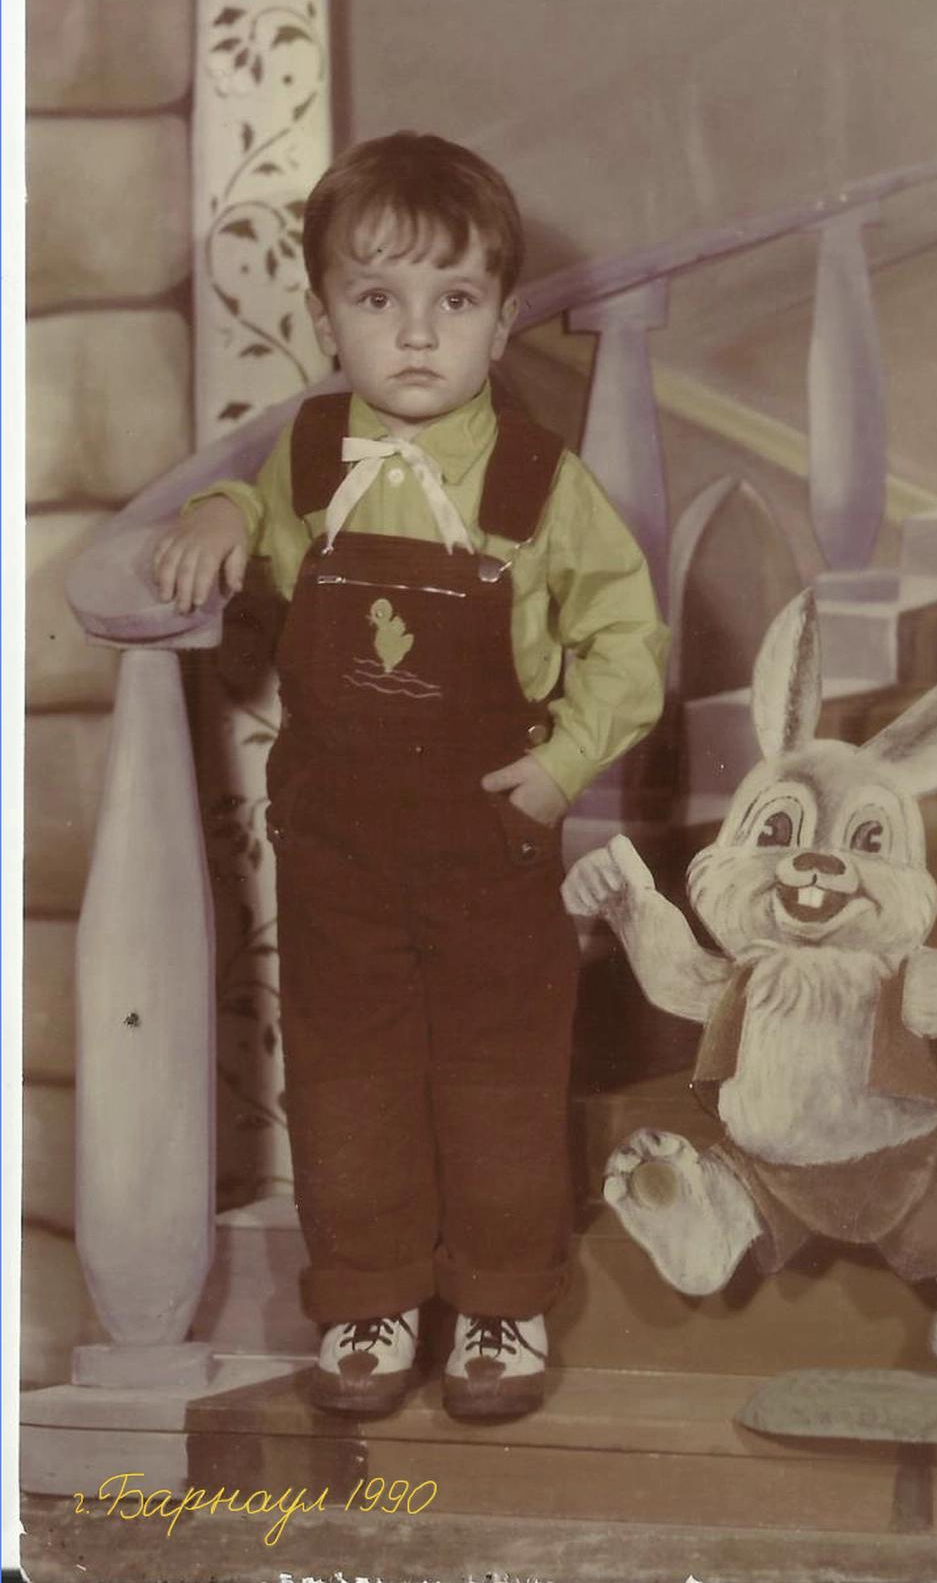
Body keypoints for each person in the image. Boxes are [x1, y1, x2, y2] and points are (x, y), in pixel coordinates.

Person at [153, 132, 668, 1422]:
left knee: (497, 1078)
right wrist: (223, 509)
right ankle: (369, 1296)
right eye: (378, 298)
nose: (419, 333)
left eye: (456, 298)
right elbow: (264, 526)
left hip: (488, 840)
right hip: (337, 844)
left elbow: (627, 641)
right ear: (325, 315)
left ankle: (501, 1302)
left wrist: (561, 765)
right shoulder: (309, 456)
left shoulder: (543, 483)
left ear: (504, 319)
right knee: (348, 1078)